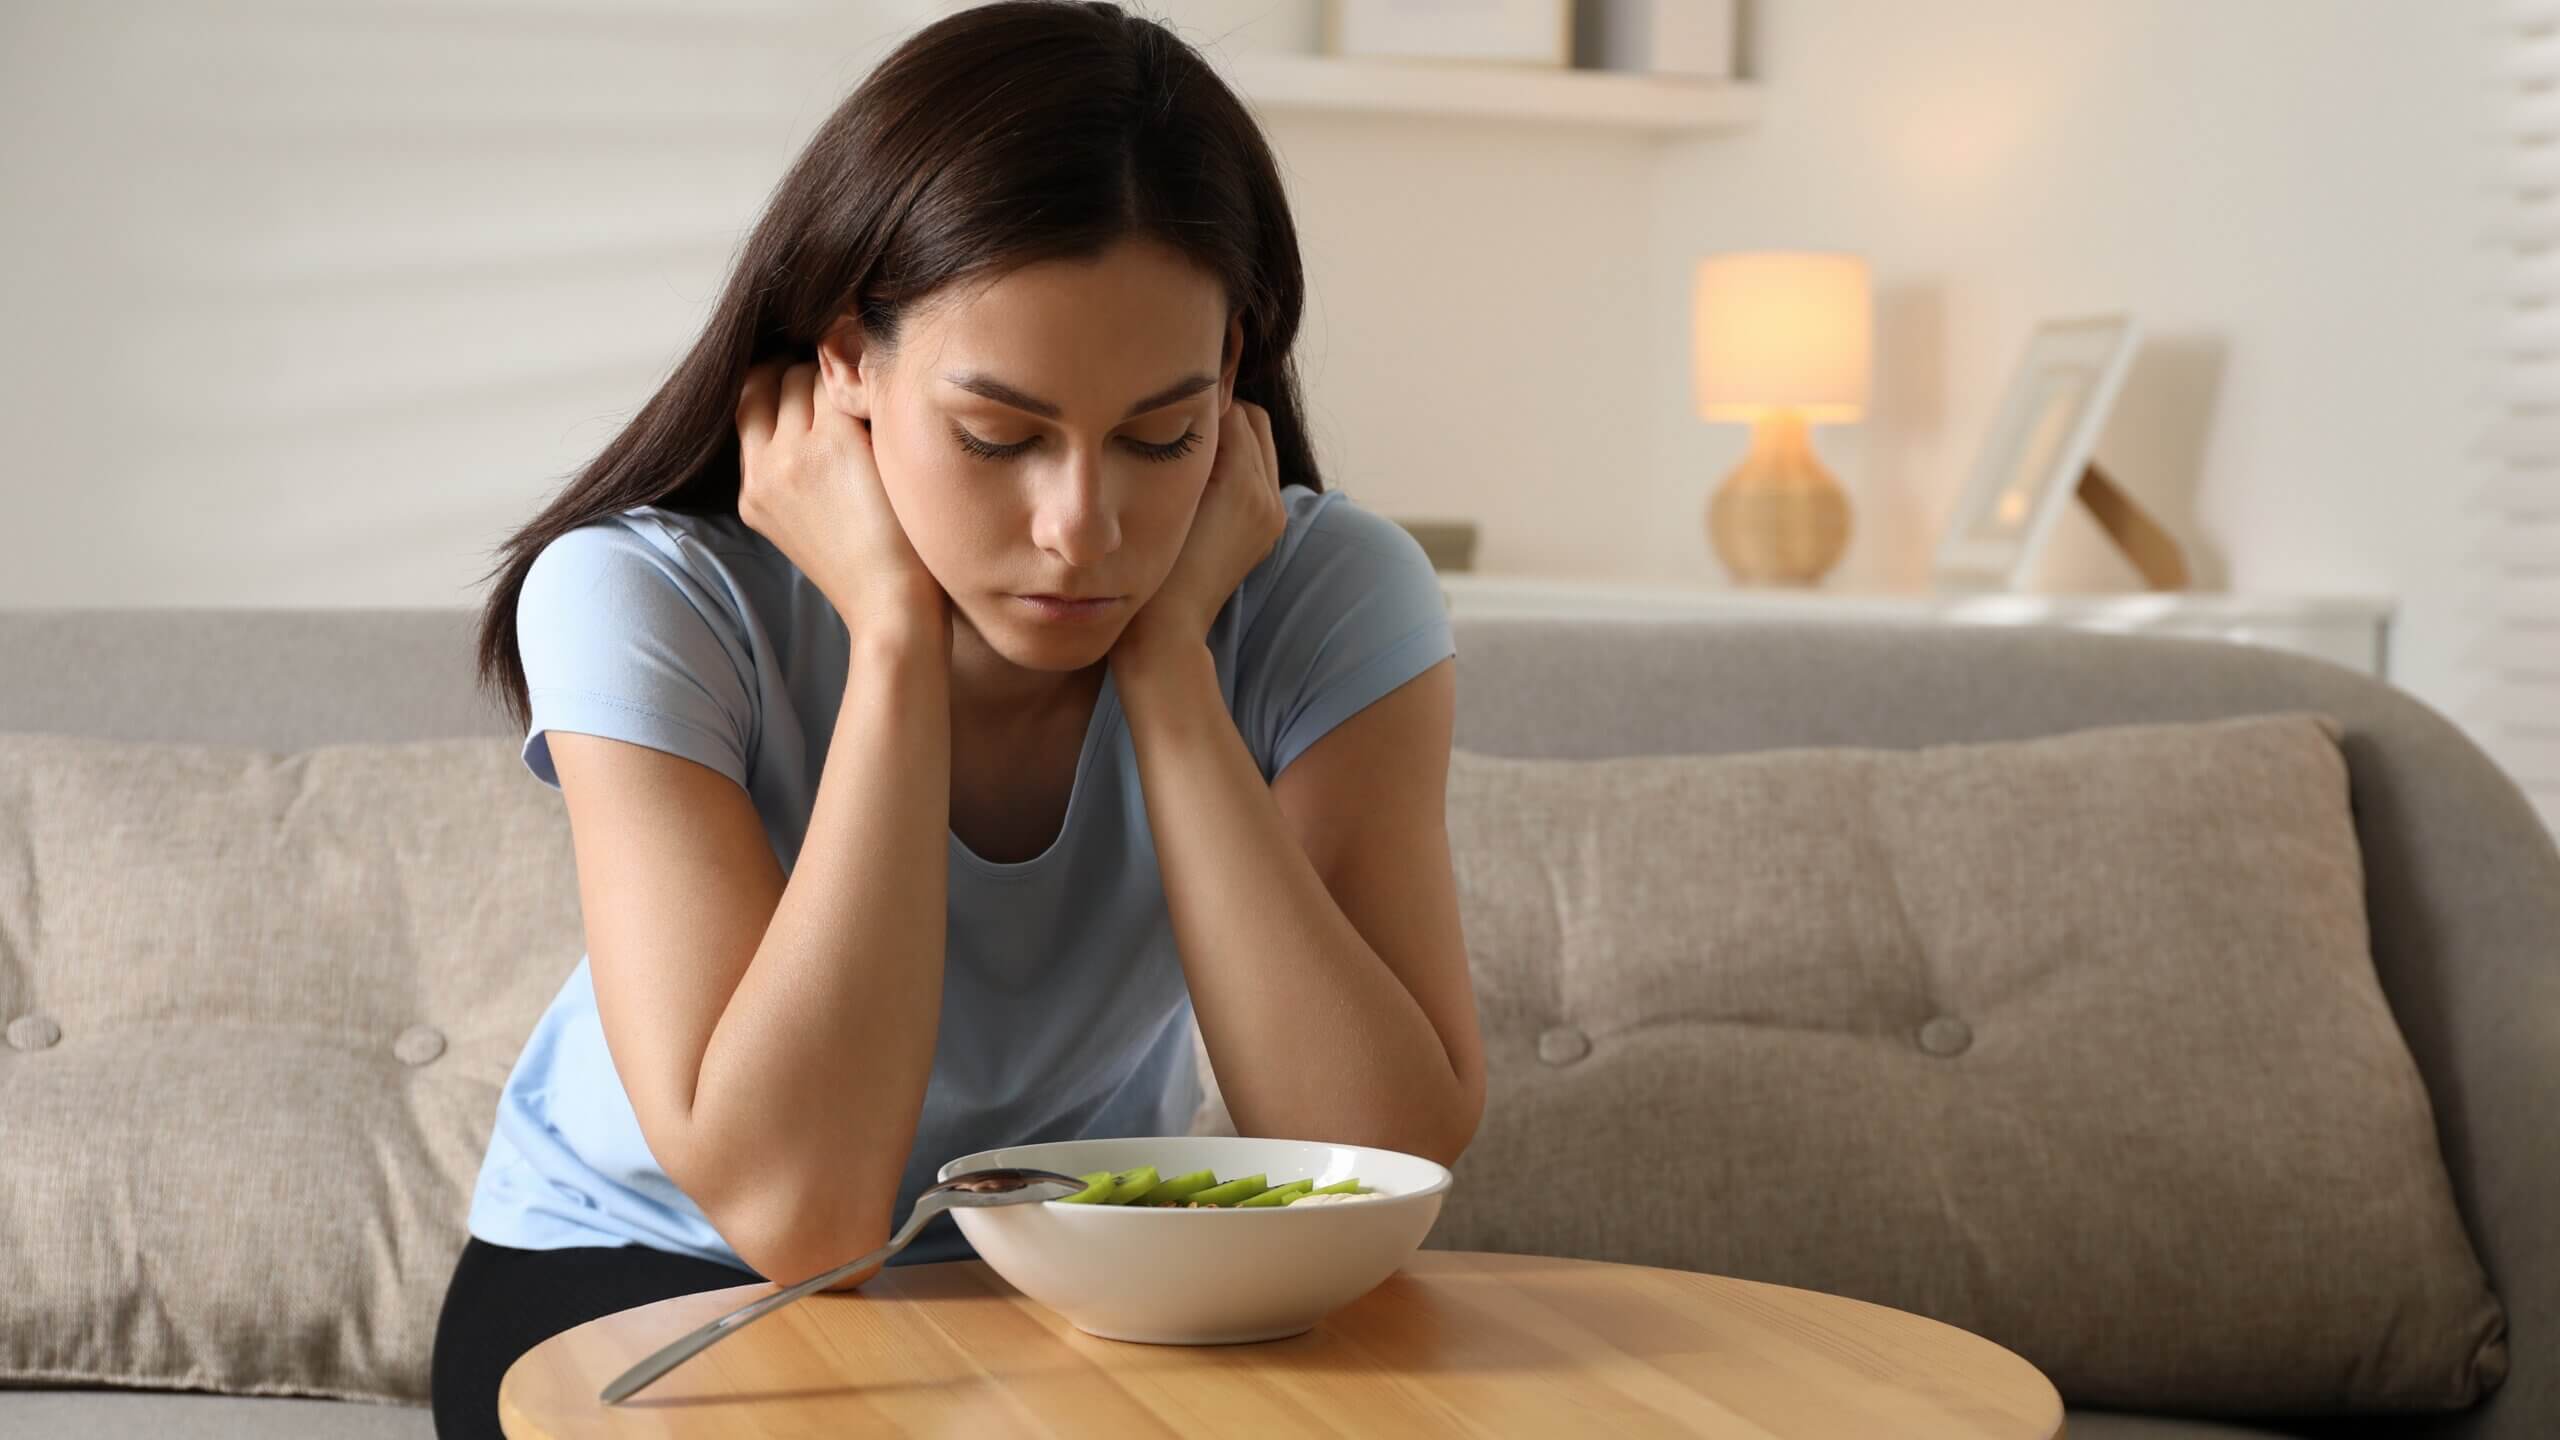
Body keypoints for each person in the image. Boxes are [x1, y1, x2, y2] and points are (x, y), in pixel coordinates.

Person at [426, 3, 1484, 1434]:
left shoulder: (1322, 593)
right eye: (999, 438)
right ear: (848, 359)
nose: (1082, 530)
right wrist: (891, 641)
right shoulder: (637, 597)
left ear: (1233, 373)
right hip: (645, 1277)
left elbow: (1378, 1153)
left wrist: (1171, 673)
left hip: (1073, 1279)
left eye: (1160, 438)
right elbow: (800, 1213)